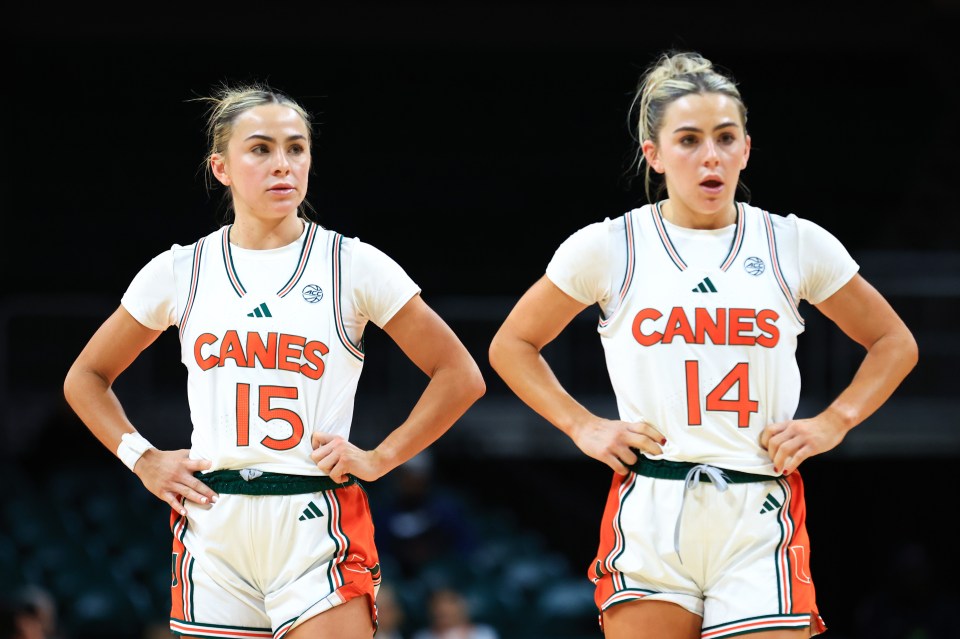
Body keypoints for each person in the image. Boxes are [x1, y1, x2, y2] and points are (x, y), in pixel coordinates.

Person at [487, 50, 917, 639]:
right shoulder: (610, 247)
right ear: (655, 155)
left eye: (724, 137)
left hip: (758, 503)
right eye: (688, 140)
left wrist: (835, 421)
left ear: (745, 148)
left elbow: (894, 341)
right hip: (655, 501)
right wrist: (582, 425)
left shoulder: (794, 243)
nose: (709, 156)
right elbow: (512, 344)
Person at [63, 81, 485, 639]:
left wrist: (382, 456)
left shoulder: (352, 264)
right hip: (214, 520)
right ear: (222, 168)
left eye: (296, 148)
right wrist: (142, 459)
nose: (282, 164)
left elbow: (461, 375)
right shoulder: (181, 270)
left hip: (315, 516)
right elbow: (86, 378)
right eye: (260, 149)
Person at [411, 588, 499, 639]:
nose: (442, 609)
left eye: (449, 603)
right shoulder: (422, 636)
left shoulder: (484, 633)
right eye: (437, 605)